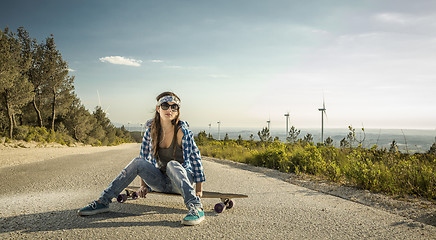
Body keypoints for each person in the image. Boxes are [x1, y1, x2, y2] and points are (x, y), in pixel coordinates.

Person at [78, 92, 206, 226]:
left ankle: (196, 208)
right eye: (165, 106)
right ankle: (102, 202)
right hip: (161, 182)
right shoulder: (151, 131)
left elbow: (195, 159)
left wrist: (198, 189)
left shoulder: (182, 132)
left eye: (174, 107)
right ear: (158, 108)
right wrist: (143, 186)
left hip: (180, 182)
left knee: (172, 165)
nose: (170, 110)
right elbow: (144, 159)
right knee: (137, 162)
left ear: (178, 111)